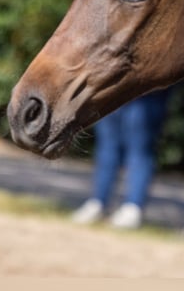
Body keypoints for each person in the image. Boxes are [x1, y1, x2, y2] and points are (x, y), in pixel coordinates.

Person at [72, 87, 172, 229]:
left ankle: (133, 207)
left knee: (140, 148)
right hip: (114, 88)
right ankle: (98, 202)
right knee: (107, 144)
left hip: (149, 92)